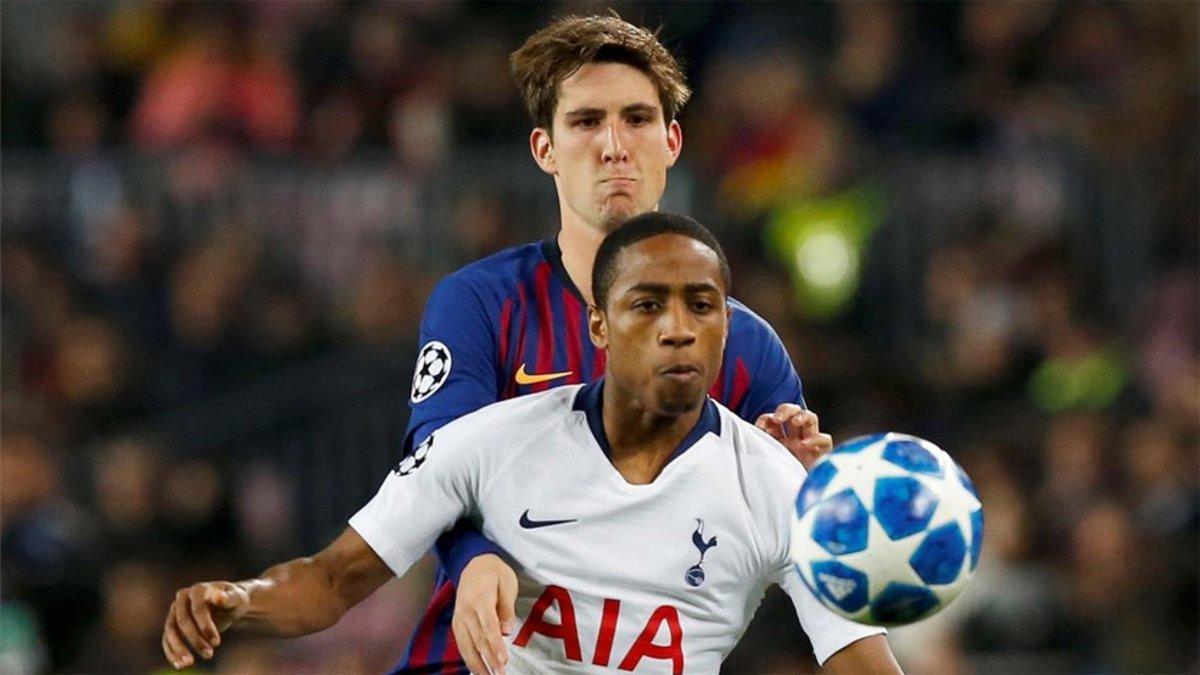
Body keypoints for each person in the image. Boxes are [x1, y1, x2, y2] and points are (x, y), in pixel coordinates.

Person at [162, 213, 900, 674]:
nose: (679, 326)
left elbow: (857, 657)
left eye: (701, 306)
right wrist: (234, 601)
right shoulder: (493, 444)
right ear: (600, 328)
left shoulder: (779, 486)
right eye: (648, 304)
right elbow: (329, 582)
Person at [405, 15, 842, 673]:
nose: (614, 144)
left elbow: (785, 570)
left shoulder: (746, 346)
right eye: (585, 122)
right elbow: (435, 464)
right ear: (544, 149)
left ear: (671, 141)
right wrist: (475, 556)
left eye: (637, 119)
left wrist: (797, 497)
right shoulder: (481, 304)